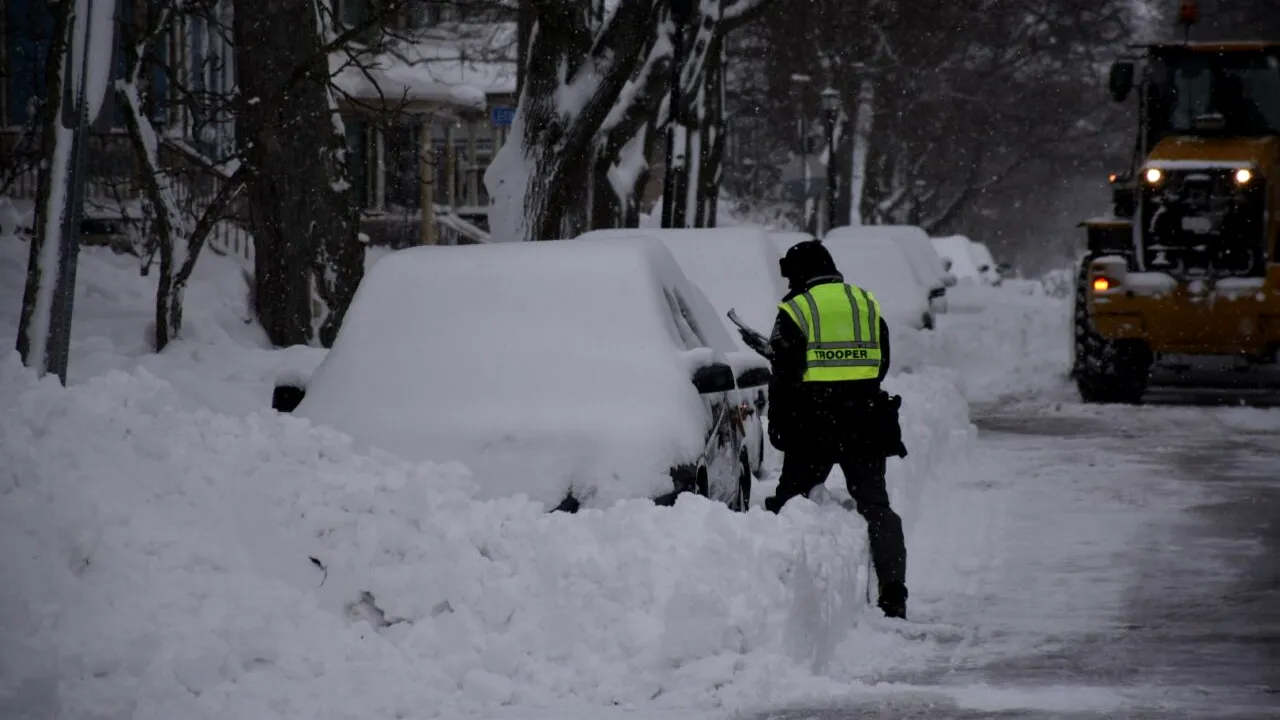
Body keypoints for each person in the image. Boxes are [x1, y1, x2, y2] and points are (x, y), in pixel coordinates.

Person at [737, 239, 910, 619]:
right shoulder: (865, 303)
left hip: (813, 427)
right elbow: (880, 364)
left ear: (799, 274)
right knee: (877, 508)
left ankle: (784, 595)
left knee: (792, 505)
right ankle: (894, 595)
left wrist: (781, 427)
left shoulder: (796, 309)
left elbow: (785, 374)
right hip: (866, 422)